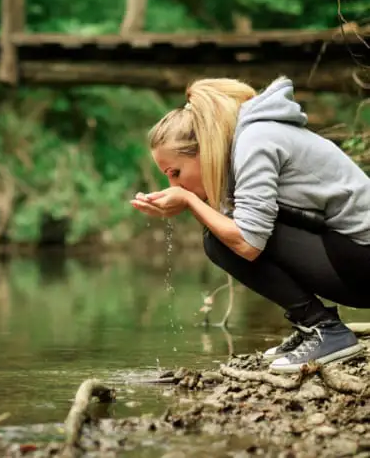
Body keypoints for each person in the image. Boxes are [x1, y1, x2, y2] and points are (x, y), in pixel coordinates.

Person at [130, 76, 370, 373]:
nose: (174, 183)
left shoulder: (255, 140)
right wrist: (186, 201)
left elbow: (247, 243)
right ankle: (314, 327)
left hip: (362, 259)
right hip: (353, 258)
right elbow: (236, 224)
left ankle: (326, 330)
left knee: (220, 241)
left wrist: (189, 200)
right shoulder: (246, 141)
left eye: (175, 172)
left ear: (204, 148)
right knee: (219, 235)